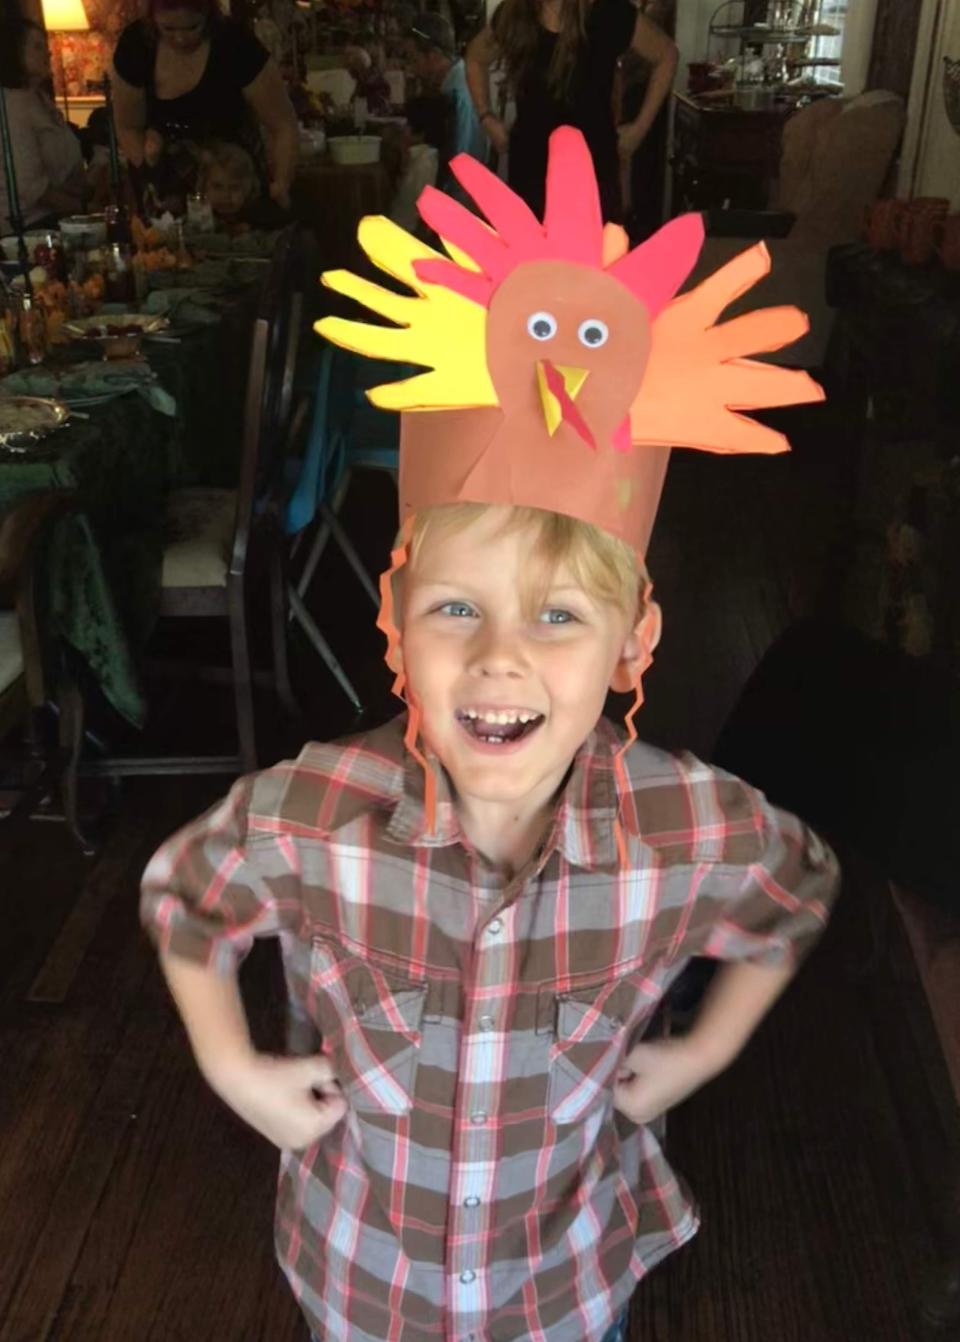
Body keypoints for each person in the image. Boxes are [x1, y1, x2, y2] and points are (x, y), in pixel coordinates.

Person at [140, 129, 838, 1342]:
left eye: (560, 617)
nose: (503, 655)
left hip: (566, 1289)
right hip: (364, 1286)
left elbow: (798, 886)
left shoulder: (685, 826)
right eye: (456, 606)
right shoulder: (310, 811)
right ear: (395, 619)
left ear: (633, 644)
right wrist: (230, 1066)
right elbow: (180, 890)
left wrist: (700, 1056)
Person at [466, 0, 677, 223]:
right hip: (531, 173)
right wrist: (486, 117)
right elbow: (475, 58)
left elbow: (666, 55)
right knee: (536, 257)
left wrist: (639, 130)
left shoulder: (608, 12)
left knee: (596, 255)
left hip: (594, 174)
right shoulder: (516, 12)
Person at [111, 0, 298, 211]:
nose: (180, 39)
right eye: (168, 29)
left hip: (234, 184)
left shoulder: (236, 43)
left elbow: (283, 124)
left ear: (209, 16)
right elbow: (128, 127)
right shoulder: (137, 45)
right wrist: (154, 175)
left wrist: (281, 183)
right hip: (166, 188)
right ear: (152, 20)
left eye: (192, 27)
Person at [0, 18, 84, 234]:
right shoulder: (11, 106)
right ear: (14, 53)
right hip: (29, 226)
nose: (47, 53)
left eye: (45, 46)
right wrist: (84, 208)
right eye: (37, 47)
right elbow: (32, 188)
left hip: (59, 214)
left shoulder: (40, 98)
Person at [405, 11, 488, 171]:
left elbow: (459, 165)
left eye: (414, 60)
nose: (411, 70)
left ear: (434, 56)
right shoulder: (457, 78)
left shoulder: (456, 93)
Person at [388, 93, 452, 233]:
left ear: (419, 132)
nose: (403, 129)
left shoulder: (426, 162)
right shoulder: (420, 157)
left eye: (408, 124)